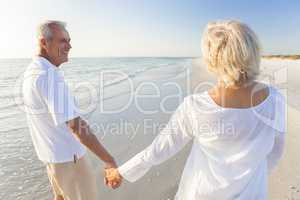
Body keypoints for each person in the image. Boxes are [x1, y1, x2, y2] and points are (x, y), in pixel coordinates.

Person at [105, 20, 286, 199]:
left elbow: (160, 149)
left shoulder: (197, 106)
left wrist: (121, 172)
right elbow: (275, 152)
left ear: (212, 60)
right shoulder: (275, 99)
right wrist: (252, 179)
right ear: (253, 53)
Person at [22, 20, 122, 200]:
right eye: (63, 41)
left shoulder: (32, 71)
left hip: (53, 161)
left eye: (69, 40)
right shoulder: (49, 75)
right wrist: (109, 160)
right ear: (44, 42)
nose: (69, 46)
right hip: (69, 161)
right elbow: (76, 126)